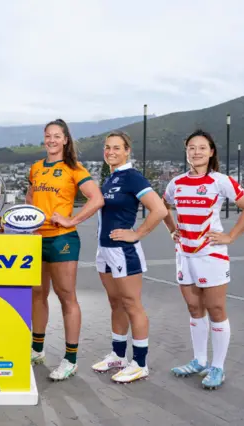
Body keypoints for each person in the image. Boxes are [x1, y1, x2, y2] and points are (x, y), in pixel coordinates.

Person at [162, 129, 244, 390]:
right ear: (186, 151)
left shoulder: (220, 181)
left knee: (216, 310)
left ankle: (217, 367)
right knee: (194, 309)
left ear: (211, 152)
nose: (196, 152)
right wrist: (172, 229)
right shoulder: (176, 183)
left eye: (202, 147)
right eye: (191, 147)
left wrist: (230, 236)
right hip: (185, 254)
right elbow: (162, 208)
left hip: (211, 254)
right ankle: (199, 361)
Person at [26, 118, 104, 381]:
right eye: (47, 135)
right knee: (37, 294)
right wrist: (28, 220)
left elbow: (97, 199)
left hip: (62, 240)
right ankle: (37, 349)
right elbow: (30, 196)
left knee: (66, 297)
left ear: (65, 140)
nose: (51, 140)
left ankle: (70, 359)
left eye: (57, 136)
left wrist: (72, 220)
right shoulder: (35, 168)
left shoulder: (74, 168)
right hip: (37, 238)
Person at [91, 130, 167, 384]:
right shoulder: (111, 178)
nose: (110, 152)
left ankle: (140, 363)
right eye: (107, 147)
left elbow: (159, 209)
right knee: (115, 302)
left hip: (123, 251)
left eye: (116, 148)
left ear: (127, 151)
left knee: (132, 303)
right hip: (105, 250)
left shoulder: (132, 177)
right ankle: (118, 356)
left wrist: (138, 233)